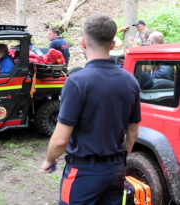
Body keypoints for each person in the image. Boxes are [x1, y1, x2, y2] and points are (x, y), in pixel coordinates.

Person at [40, 14, 141, 204]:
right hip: (116, 170)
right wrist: (120, 160)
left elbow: (61, 140)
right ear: (113, 44)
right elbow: (133, 133)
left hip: (84, 173)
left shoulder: (76, 82)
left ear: (83, 43)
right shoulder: (131, 81)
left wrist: (49, 160)